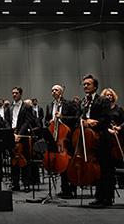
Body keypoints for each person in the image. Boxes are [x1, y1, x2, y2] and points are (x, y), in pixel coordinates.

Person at [79, 74, 113, 208]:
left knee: (105, 169)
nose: (86, 86)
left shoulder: (103, 100)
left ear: (95, 86)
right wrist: (82, 121)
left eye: (88, 84)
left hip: (102, 139)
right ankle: (98, 197)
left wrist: (95, 122)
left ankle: (107, 198)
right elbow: (80, 117)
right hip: (90, 140)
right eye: (84, 84)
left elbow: (106, 120)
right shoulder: (84, 101)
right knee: (96, 170)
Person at [44, 83, 78, 198]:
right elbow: (46, 120)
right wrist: (48, 122)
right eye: (52, 90)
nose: (54, 92)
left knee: (68, 165)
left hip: (66, 138)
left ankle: (71, 189)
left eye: (56, 90)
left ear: (61, 92)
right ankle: (64, 189)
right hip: (55, 137)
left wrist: (62, 117)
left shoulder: (69, 104)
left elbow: (76, 118)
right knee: (61, 164)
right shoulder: (50, 105)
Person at [4, 87, 33, 191]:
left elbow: (27, 121)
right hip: (12, 135)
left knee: (25, 160)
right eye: (13, 93)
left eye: (16, 93)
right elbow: (6, 121)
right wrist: (11, 133)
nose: (14, 95)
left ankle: (26, 184)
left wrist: (19, 134)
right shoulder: (9, 107)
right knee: (13, 161)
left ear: (21, 94)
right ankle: (15, 183)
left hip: (23, 135)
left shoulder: (27, 107)